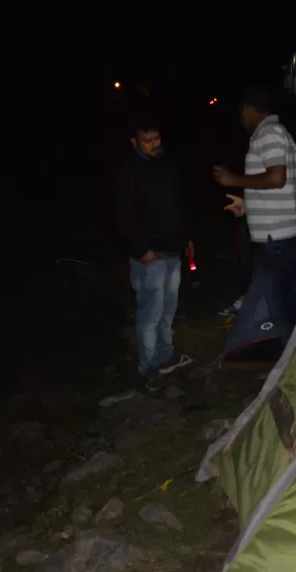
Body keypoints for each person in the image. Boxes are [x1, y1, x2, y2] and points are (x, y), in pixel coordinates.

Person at [214, 86, 296, 349]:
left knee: (281, 306)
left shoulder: (269, 134)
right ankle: (292, 353)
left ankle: (294, 360)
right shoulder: (275, 134)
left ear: (248, 109)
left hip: (277, 238)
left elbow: (277, 178)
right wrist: (247, 206)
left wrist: (232, 179)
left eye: (241, 112)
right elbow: (280, 189)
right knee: (280, 300)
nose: (241, 119)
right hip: (279, 235)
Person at [111, 110, 194, 389]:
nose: (154, 144)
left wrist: (186, 237)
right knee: (150, 313)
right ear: (134, 142)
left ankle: (166, 356)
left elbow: (178, 203)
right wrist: (140, 249)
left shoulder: (166, 164)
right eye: (147, 141)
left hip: (173, 250)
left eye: (157, 138)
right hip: (150, 255)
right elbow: (122, 215)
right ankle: (148, 367)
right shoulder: (127, 172)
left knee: (169, 309)